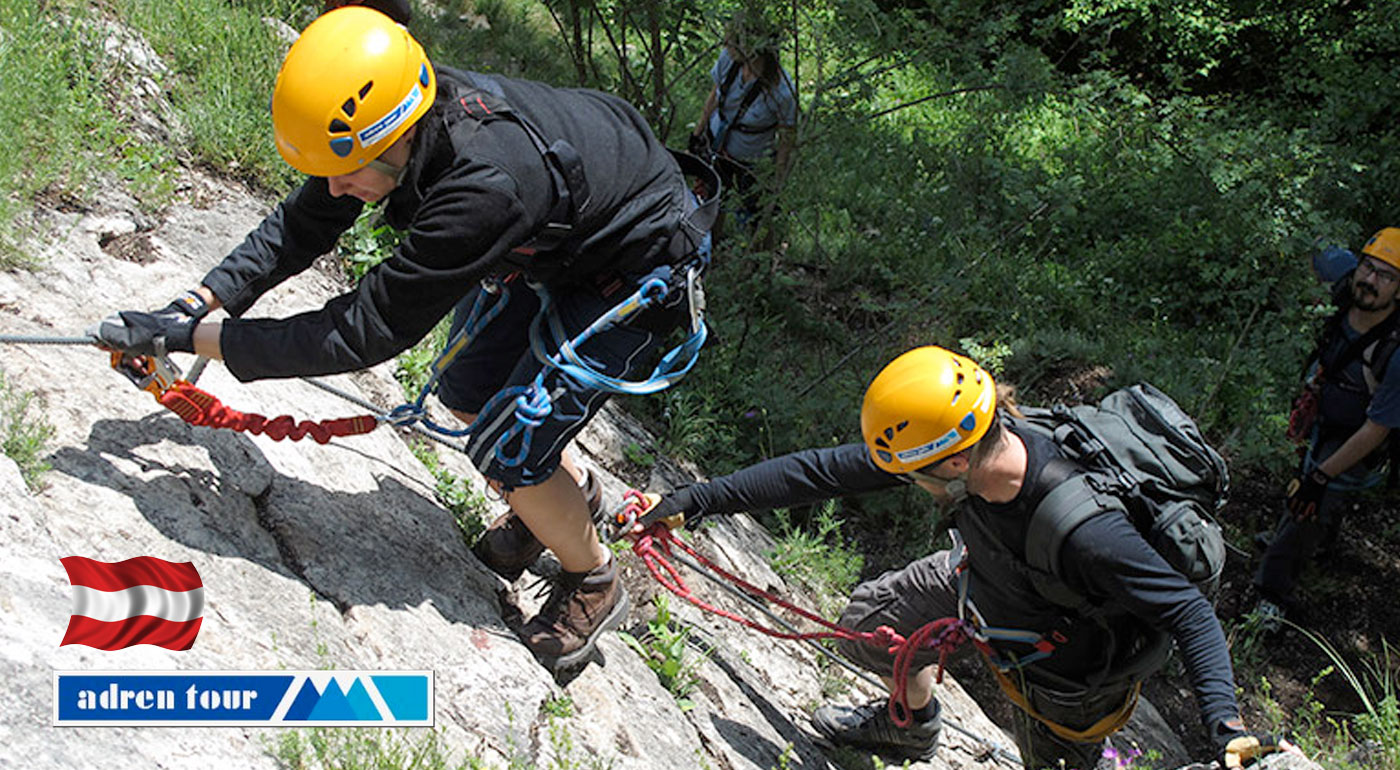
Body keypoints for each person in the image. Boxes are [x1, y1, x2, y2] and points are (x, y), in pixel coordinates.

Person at [90, 6, 714, 672]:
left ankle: (594, 578)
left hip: (639, 266)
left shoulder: (482, 188)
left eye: (348, 170)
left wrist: (191, 339)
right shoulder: (394, 113)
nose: (335, 187)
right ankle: (570, 497)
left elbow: (361, 332)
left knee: (509, 449)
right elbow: (301, 226)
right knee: (467, 390)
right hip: (576, 225)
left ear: (395, 135)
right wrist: (193, 305)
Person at [634, 346, 1286, 769]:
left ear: (950, 459)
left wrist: (1226, 728)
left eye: (912, 472)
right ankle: (911, 727)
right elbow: (822, 472)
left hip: (1064, 664)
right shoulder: (967, 445)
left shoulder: (1086, 530)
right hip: (980, 581)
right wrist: (694, 501)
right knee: (871, 623)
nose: (903, 481)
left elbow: (1189, 614)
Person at [1256, 227, 1400, 630]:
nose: (1370, 281)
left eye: (1386, 276)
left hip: (1356, 437)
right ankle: (1306, 535)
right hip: (1320, 410)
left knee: (1310, 504)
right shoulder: (1345, 279)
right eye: (1368, 268)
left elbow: (1377, 429)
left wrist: (1320, 478)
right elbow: (1311, 241)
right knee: (1301, 489)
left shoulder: (1395, 352)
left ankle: (1271, 595)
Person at [689, 12, 797, 239]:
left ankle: (757, 262)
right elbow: (714, 95)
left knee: (756, 215)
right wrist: (698, 134)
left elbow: (787, 136)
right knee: (713, 202)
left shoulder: (782, 91)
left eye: (734, 40)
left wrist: (777, 179)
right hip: (717, 145)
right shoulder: (728, 61)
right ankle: (712, 250)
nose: (727, 44)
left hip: (752, 160)